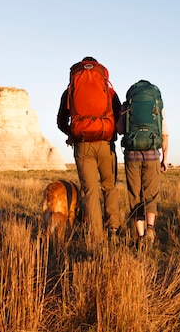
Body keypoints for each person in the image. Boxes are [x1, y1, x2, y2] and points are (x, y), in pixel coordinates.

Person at [57, 57, 122, 245]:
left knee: (90, 190)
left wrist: (73, 133)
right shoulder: (109, 91)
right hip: (106, 144)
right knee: (109, 186)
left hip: (83, 145)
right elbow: (118, 118)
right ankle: (113, 229)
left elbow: (61, 121)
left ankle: (96, 235)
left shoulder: (69, 92)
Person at [117, 80, 168, 245]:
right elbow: (165, 135)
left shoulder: (127, 106)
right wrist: (164, 159)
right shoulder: (158, 107)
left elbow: (119, 129)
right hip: (152, 153)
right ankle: (150, 230)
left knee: (135, 194)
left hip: (132, 155)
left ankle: (140, 237)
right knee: (151, 194)